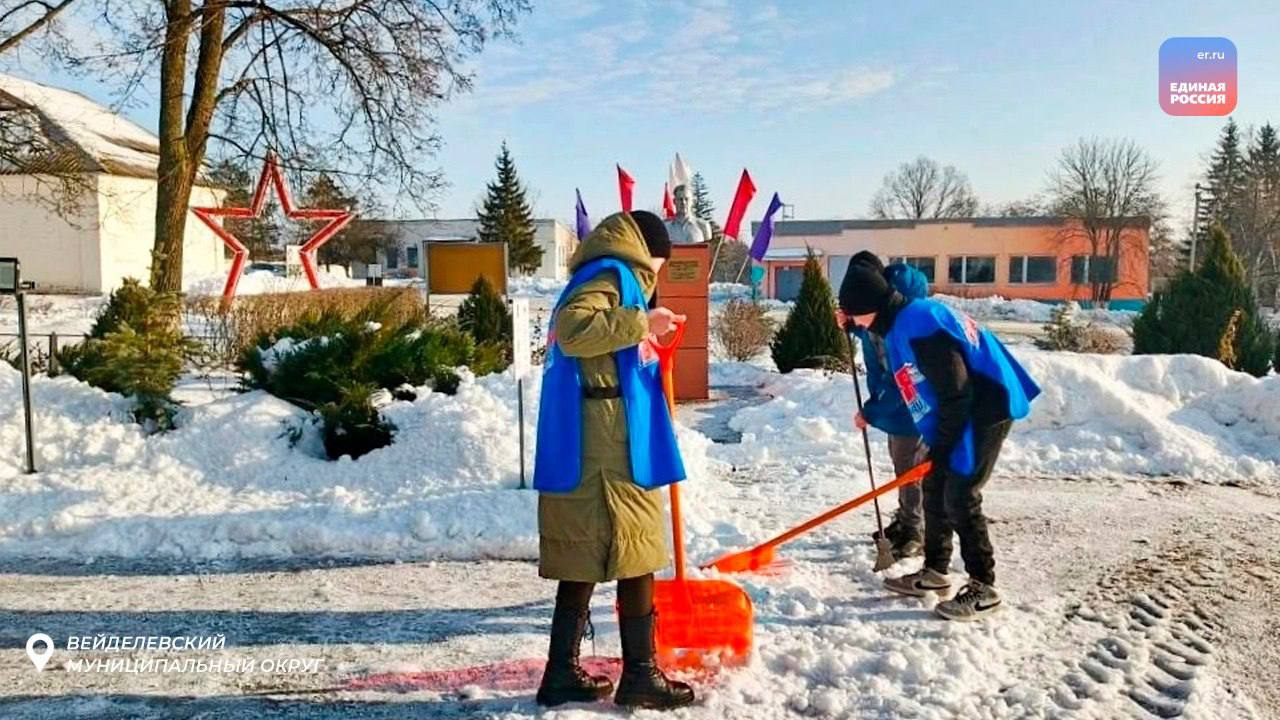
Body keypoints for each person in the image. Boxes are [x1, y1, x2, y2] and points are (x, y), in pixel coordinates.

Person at [531, 210, 695, 709]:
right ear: (648, 251)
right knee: (636, 545)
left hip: (598, 427)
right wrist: (644, 321)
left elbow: (600, 344)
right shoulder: (610, 274)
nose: (660, 274)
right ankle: (640, 675)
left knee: (584, 547)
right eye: (661, 263)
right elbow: (576, 329)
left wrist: (646, 335)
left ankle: (562, 673)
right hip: (607, 437)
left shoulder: (601, 272)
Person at [837, 262, 1041, 621]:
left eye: (856, 315)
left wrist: (944, 449)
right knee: (933, 484)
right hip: (961, 406)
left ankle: (984, 587)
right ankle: (935, 572)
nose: (857, 323)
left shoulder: (920, 327)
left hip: (985, 406)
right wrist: (852, 325)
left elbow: (956, 394)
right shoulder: (898, 318)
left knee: (960, 493)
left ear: (871, 306)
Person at [841, 252, 930, 560]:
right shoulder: (877, 315)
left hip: (909, 408)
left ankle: (916, 531)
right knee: (901, 462)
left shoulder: (899, 328)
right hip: (894, 407)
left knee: (910, 468)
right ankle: (906, 520)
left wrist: (871, 411)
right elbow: (869, 333)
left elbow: (899, 382)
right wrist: (851, 324)